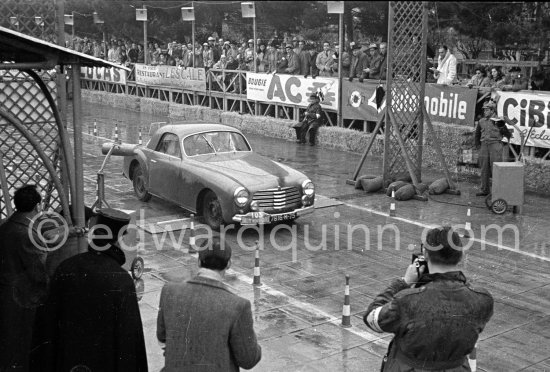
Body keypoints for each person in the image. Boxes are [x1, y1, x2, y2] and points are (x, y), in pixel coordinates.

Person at [31, 208, 148, 372]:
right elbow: (129, 342)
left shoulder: (66, 268)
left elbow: (46, 328)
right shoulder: (121, 280)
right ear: (119, 238)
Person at [364, 226, 494, 371]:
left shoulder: (407, 301)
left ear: (425, 254)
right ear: (461, 256)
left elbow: (372, 318)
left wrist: (403, 283)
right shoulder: (483, 300)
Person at [157, 237, 262, 372]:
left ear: (199, 261)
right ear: (229, 264)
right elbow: (249, 360)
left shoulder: (169, 291)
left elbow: (162, 337)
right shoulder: (238, 306)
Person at [0, 184, 49, 371]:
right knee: (20, 344)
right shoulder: (27, 234)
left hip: (6, 293)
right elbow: (38, 269)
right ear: (37, 206)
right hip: (21, 299)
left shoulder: (6, 224)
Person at [474, 100, 510, 196]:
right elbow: (477, 135)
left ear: (492, 111)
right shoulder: (481, 121)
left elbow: (507, 134)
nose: (485, 112)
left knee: (496, 169)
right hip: (484, 146)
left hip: (495, 145)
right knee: (484, 168)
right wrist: (478, 146)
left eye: (487, 110)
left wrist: (502, 143)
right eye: (484, 110)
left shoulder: (499, 121)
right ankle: (484, 190)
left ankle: (497, 192)